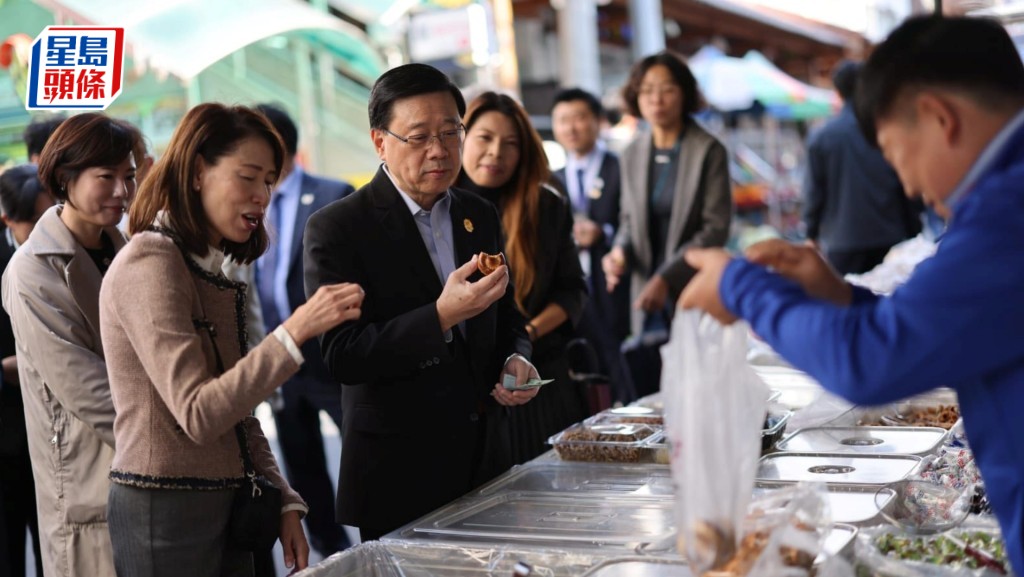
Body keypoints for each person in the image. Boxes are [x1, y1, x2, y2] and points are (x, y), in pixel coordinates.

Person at [679, 16, 1024, 575]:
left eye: (896, 154)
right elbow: (941, 328)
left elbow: (870, 363)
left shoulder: (1008, 211)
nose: (910, 186)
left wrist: (737, 284)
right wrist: (842, 299)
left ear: (939, 118)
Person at [98, 103, 364, 577]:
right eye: (248, 177)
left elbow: (237, 410)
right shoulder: (151, 260)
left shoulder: (207, 265)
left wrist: (283, 497)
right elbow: (200, 413)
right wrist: (296, 331)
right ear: (198, 171)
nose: (262, 196)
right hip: (166, 512)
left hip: (229, 503)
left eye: (270, 181)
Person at [303, 63, 541, 542]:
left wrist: (516, 358)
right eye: (418, 137)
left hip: (486, 460)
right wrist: (440, 316)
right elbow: (343, 355)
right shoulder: (338, 228)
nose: (439, 150)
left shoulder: (477, 213)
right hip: (399, 473)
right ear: (380, 142)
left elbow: (507, 315)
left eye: (451, 131)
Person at [1, 113, 141, 577]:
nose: (121, 191)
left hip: (142, 463)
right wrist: (171, 441)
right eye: (106, 177)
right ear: (64, 178)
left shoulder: (126, 248)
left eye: (128, 176)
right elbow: (87, 390)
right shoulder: (31, 270)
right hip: (89, 476)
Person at [456, 91, 588, 463]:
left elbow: (572, 291)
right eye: (485, 138)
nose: (496, 152)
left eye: (510, 143)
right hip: (465, 388)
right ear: (461, 137)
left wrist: (525, 338)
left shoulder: (545, 205)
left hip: (538, 377)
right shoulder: (439, 208)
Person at [253, 103, 355, 557]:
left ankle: (380, 542)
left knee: (361, 456)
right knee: (301, 466)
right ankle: (331, 552)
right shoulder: (246, 202)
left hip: (331, 357)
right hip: (280, 359)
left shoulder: (333, 194)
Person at [601, 51, 732, 397]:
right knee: (654, 396)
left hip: (693, 287)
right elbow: (628, 219)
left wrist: (665, 277)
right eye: (647, 90)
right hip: (645, 295)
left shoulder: (708, 150)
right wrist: (619, 252)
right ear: (636, 97)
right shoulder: (632, 152)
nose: (656, 99)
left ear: (685, 93)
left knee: (700, 391)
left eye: (667, 89)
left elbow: (715, 229)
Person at [551, 87, 634, 404]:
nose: (571, 128)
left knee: (620, 359)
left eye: (579, 118)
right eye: (562, 120)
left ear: (598, 121)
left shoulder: (621, 167)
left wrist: (604, 233)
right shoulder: (553, 178)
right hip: (575, 282)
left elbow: (635, 221)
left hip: (614, 279)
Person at [802, 60, 922, 275]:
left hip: (843, 240)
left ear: (837, 92)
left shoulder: (823, 136)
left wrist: (811, 233)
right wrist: (914, 228)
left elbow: (814, 191)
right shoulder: (885, 130)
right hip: (890, 236)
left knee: (847, 294)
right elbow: (906, 181)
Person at [0, 165, 51, 577]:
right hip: (7, 439)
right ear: (7, 219)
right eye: (31, 222)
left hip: (54, 436)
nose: (41, 230)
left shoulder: (67, 249)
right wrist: (6, 369)